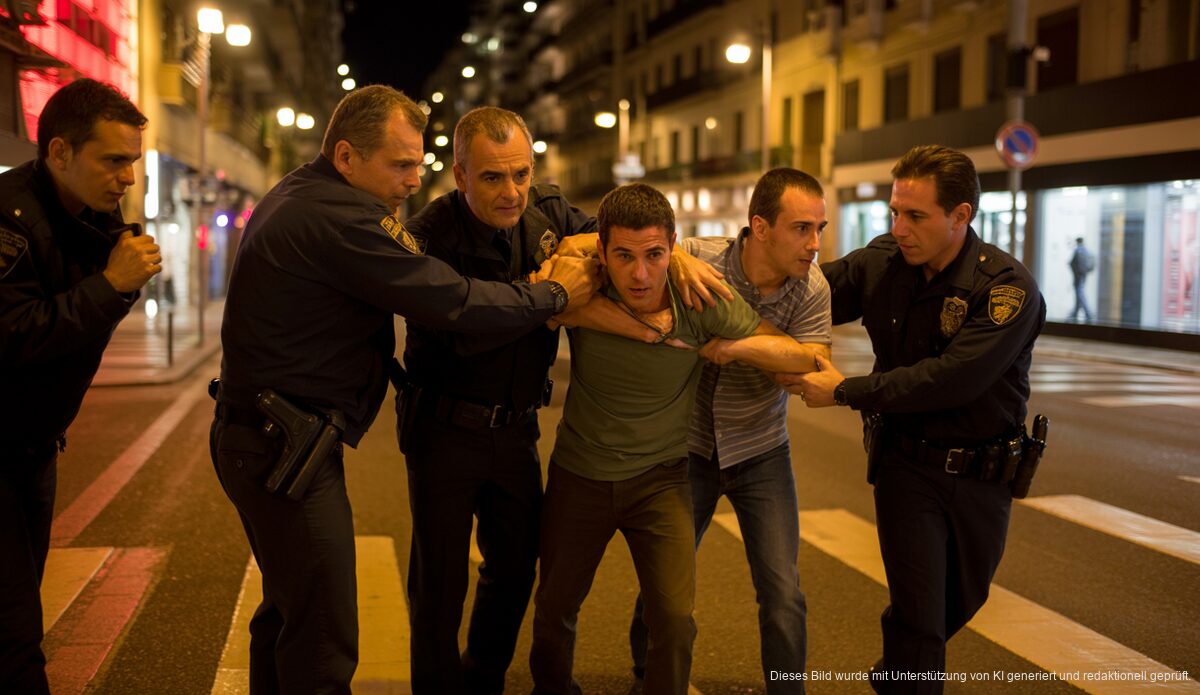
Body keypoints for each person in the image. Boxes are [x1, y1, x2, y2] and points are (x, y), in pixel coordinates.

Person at [211, 86, 599, 695]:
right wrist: (554, 296)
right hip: (291, 438)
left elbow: (615, 235)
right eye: (401, 165)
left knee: (291, 609)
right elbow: (452, 303)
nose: (415, 179)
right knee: (323, 632)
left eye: (418, 163)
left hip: (281, 433)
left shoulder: (307, 194)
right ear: (345, 156)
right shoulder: (343, 219)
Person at [400, 107, 729, 695]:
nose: (512, 191)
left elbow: (618, 238)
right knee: (440, 582)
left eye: (521, 174)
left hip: (516, 430)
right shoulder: (428, 235)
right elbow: (461, 328)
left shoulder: (547, 212)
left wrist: (673, 253)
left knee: (515, 567)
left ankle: (483, 680)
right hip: (445, 430)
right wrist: (548, 295)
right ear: (460, 175)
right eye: (494, 178)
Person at [529, 183, 820, 695]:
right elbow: (544, 292)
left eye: (655, 255)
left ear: (673, 249)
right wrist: (647, 330)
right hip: (580, 476)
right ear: (602, 252)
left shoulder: (698, 296)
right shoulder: (588, 285)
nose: (640, 274)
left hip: (662, 481)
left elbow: (805, 359)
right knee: (555, 609)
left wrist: (730, 347)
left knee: (674, 617)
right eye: (624, 256)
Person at [792, 145, 1045, 694]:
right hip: (907, 466)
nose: (899, 228)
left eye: (915, 216)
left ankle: (897, 673)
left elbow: (953, 377)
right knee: (921, 618)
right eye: (894, 213)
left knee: (961, 601)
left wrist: (845, 390)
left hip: (983, 476)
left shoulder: (1004, 289)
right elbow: (808, 294)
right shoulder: (883, 261)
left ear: (961, 217)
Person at [628, 168, 833, 694]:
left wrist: (736, 344)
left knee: (782, 590)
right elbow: (628, 251)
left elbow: (809, 368)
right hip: (688, 446)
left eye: (820, 229)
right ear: (760, 227)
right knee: (665, 586)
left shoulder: (812, 286)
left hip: (762, 450)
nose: (815, 244)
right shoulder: (698, 257)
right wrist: (671, 257)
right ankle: (644, 678)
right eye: (802, 229)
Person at [0, 78, 159, 694]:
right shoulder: (8, 215)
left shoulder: (93, 214)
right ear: (60, 152)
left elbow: (76, 326)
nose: (125, 177)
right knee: (14, 637)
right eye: (113, 160)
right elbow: (10, 334)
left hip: (32, 448)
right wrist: (111, 286)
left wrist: (114, 286)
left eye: (132, 163)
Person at [1068, 236, 1094, 322]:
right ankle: (1075, 312)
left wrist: (1076, 272)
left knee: (1080, 293)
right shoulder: (1086, 251)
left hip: (1078, 276)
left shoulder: (1078, 251)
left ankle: (1088, 313)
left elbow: (1072, 263)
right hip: (1083, 275)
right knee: (1079, 293)